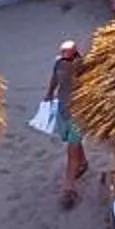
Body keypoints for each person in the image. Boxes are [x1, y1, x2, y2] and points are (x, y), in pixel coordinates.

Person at [41, 40, 88, 208]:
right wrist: (49, 93)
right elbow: (54, 78)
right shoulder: (58, 63)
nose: (64, 57)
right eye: (62, 54)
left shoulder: (83, 66)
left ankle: (68, 188)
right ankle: (83, 163)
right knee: (70, 140)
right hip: (63, 109)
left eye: (67, 54)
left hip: (77, 112)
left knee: (71, 147)